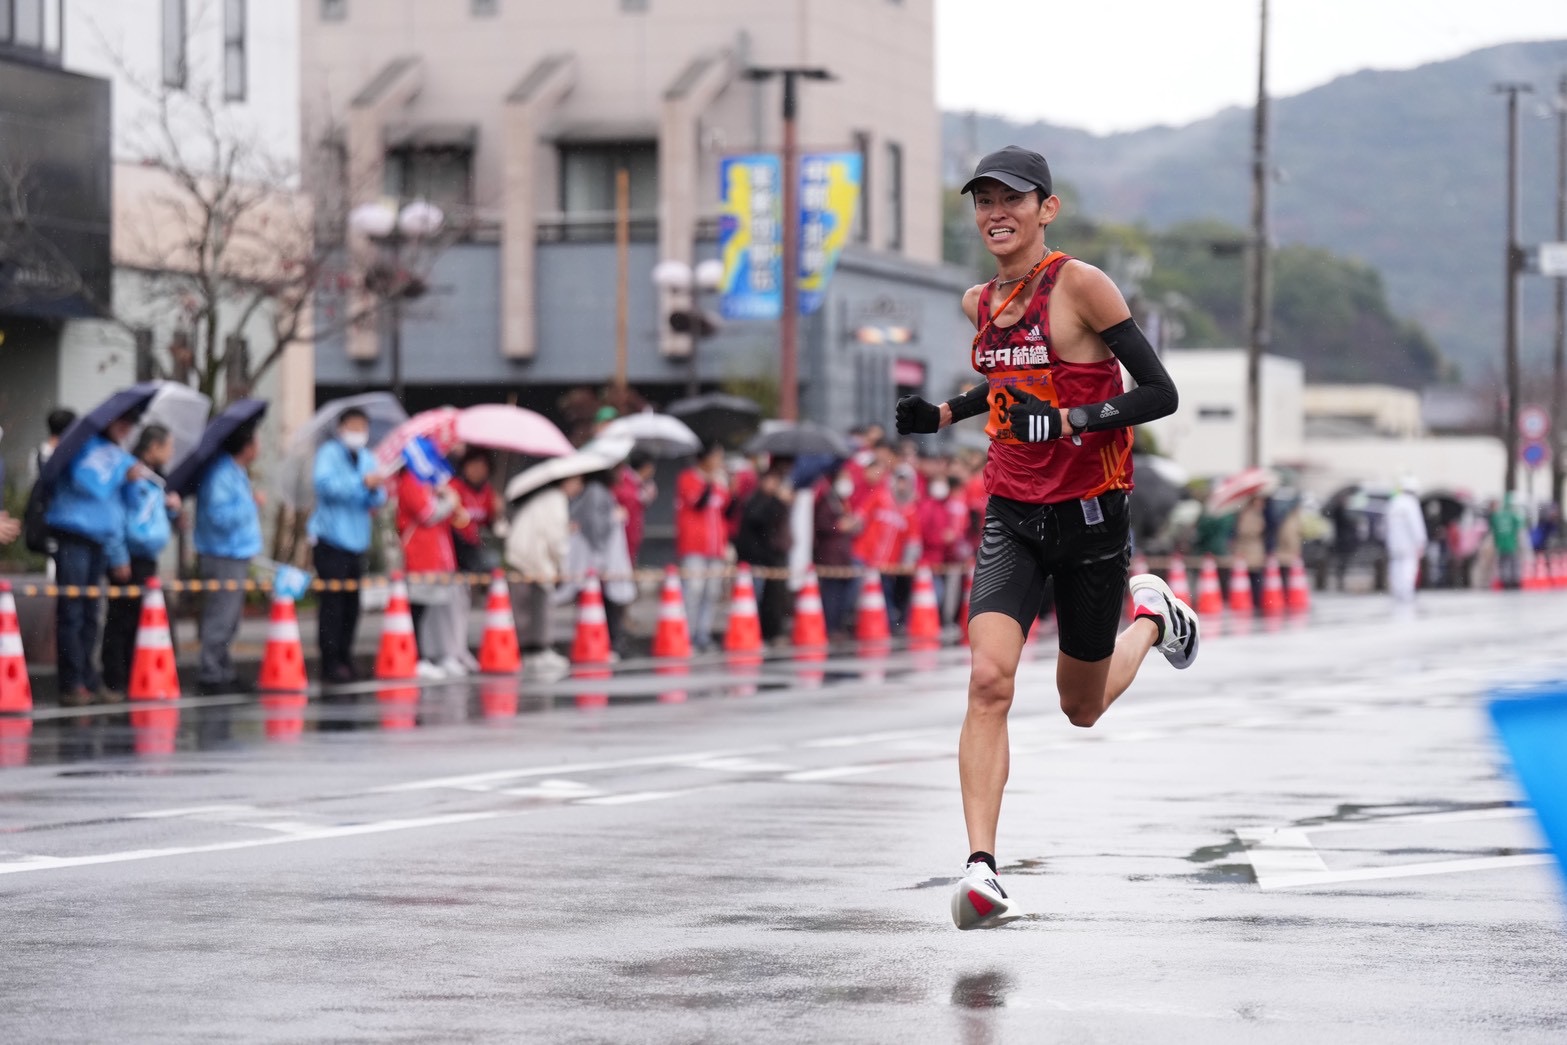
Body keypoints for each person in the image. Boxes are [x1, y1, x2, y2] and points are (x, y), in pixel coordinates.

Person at [895, 145, 1192, 929]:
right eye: (983, 200)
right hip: (1012, 512)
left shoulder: (1081, 285)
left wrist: (1070, 419)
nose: (996, 212)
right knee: (989, 679)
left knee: (1080, 707)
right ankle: (982, 869)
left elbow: (1158, 392)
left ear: (1045, 209)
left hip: (1091, 513)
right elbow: (1003, 384)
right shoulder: (976, 302)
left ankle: (1154, 618)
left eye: (1012, 199)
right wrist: (941, 417)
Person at [45, 409, 140, 705]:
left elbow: (117, 508)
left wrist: (118, 553)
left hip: (101, 539)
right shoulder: (80, 446)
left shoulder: (116, 454)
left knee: (90, 614)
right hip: (74, 536)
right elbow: (89, 483)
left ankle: (88, 676)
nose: (126, 428)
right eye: (123, 421)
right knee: (72, 611)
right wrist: (119, 474)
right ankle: (72, 682)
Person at [308, 408, 388, 684]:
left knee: (352, 605)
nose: (358, 432)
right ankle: (330, 661)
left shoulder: (367, 457)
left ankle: (346, 657)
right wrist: (361, 483)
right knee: (333, 604)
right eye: (353, 426)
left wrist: (374, 489)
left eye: (362, 426)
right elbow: (325, 486)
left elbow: (377, 498)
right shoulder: (329, 454)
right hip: (331, 541)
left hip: (357, 541)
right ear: (341, 428)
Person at [102, 425, 179, 700]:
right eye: (168, 446)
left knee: (142, 620)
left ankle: (137, 675)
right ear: (153, 447)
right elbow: (117, 519)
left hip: (148, 557)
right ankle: (115, 679)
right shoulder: (129, 475)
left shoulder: (155, 480)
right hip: (129, 558)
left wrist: (171, 511)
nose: (170, 453)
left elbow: (149, 519)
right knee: (122, 618)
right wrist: (118, 556)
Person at [193, 421, 264, 695]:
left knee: (230, 617)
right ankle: (211, 671)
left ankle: (223, 668)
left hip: (236, 552)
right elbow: (219, 516)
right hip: (223, 552)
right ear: (246, 447)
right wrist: (250, 503)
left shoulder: (236, 472)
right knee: (221, 615)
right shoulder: (221, 474)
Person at [396, 466, 471, 679]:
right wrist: (447, 500)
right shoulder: (411, 478)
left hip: (440, 556)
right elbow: (426, 512)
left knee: (439, 610)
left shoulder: (433, 481)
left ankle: (445, 654)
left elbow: (458, 518)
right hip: (420, 556)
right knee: (419, 608)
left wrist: (447, 497)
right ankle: (420, 657)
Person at [504, 476, 578, 677]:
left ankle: (531, 651)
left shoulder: (546, 497)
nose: (578, 487)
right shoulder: (556, 499)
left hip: (524, 555)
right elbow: (556, 537)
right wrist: (562, 563)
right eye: (577, 482)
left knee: (524, 607)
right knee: (538, 607)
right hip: (533, 559)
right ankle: (537, 650)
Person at [565, 470, 636, 657]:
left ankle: (602, 644)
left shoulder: (595, 491)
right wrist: (614, 518)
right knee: (604, 604)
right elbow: (595, 526)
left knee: (600, 604)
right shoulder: (596, 491)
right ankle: (608, 644)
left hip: (596, 560)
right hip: (598, 560)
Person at [676, 443, 729, 651]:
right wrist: (709, 483)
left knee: (711, 592)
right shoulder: (688, 478)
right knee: (694, 590)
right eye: (716, 457)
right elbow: (697, 503)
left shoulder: (719, 482)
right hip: (694, 547)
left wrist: (727, 486)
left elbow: (727, 509)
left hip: (716, 548)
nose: (719, 462)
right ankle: (686, 634)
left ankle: (703, 634)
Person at [737, 467, 794, 642]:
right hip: (754, 557)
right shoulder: (755, 500)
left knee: (770, 598)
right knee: (754, 598)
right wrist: (777, 501)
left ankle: (767, 632)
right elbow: (758, 519)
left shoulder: (774, 502)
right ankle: (752, 633)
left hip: (769, 557)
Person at [813, 464, 861, 636]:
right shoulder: (827, 501)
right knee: (831, 595)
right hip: (830, 556)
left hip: (843, 556)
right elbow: (822, 525)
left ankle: (837, 627)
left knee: (841, 595)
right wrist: (838, 527)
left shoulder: (842, 502)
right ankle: (831, 628)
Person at [1385, 475, 1428, 603]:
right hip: (1408, 543)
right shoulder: (1411, 504)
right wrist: (1421, 541)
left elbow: (1386, 525)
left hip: (1394, 543)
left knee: (1396, 565)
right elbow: (1416, 525)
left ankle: (1397, 590)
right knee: (1409, 566)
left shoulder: (1394, 503)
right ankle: (1406, 591)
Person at [614, 450, 657, 567]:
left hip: (633, 534)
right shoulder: (623, 478)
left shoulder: (639, 483)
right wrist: (640, 497)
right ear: (646, 467)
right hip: (622, 535)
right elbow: (622, 499)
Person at [1490, 492, 1524, 591]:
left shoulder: (1496, 516)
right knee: (1513, 563)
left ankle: (1505, 582)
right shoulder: (1513, 516)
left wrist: (1496, 544)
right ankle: (1514, 582)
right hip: (1512, 544)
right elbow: (1520, 529)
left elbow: (1494, 532)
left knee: (1503, 564)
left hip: (1501, 545)